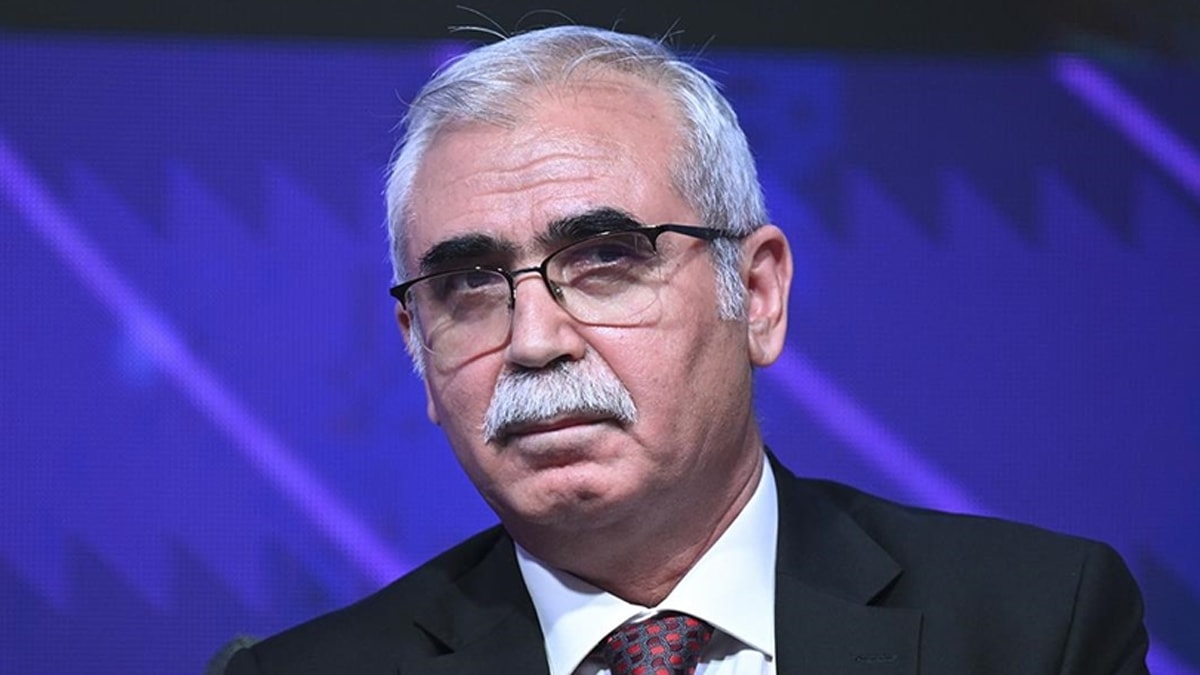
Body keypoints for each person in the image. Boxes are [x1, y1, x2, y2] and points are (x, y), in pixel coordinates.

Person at [221, 25, 1149, 674]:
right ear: (418, 347)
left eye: (605, 259)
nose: (534, 342)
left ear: (758, 295)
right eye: (468, 285)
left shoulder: (1034, 629)